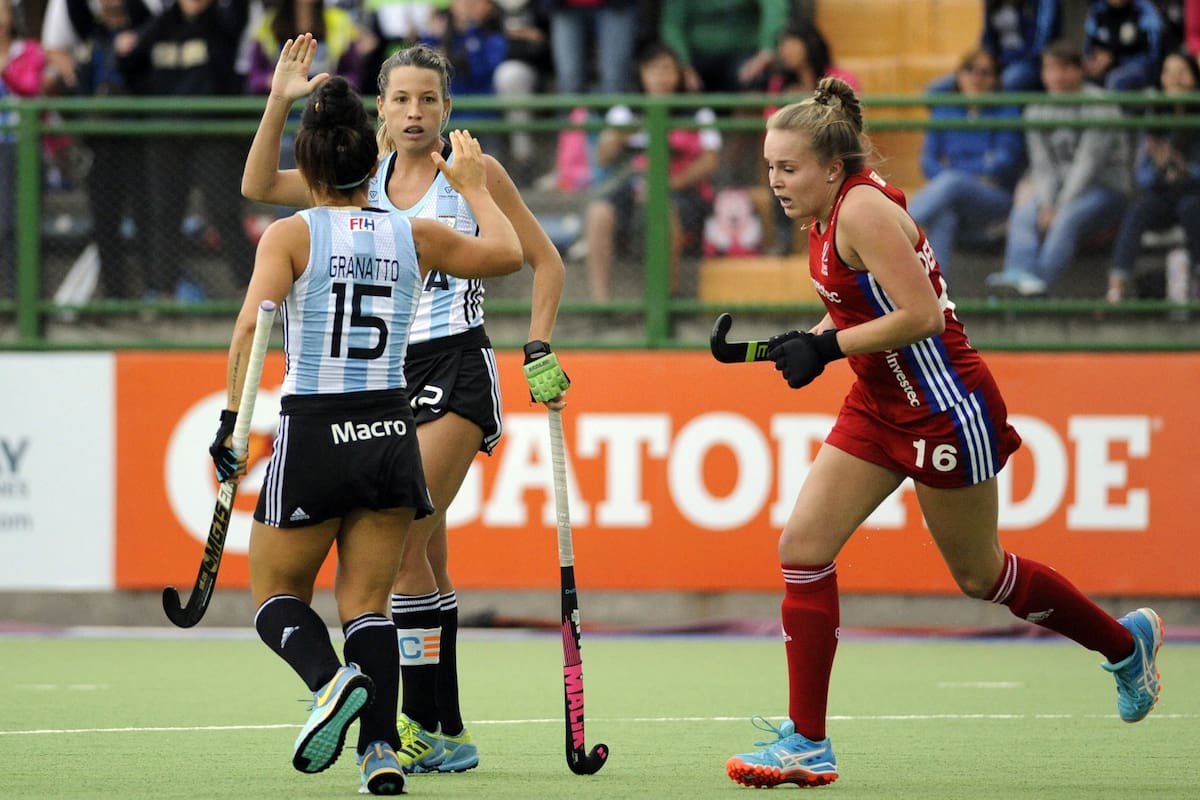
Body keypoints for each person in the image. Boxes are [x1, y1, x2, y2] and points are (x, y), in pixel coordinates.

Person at [722, 76, 1165, 790]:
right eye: (770, 166)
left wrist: (827, 348)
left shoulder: (861, 210)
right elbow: (857, 302)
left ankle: (1124, 644)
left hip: (944, 408)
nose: (775, 180)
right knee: (802, 548)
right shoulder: (825, 213)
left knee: (980, 575)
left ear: (832, 168)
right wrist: (800, 341)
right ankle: (807, 742)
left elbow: (923, 315)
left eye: (788, 167)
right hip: (878, 403)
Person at [241, 34, 570, 774]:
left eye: (428, 99)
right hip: (387, 378)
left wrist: (539, 344)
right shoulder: (363, 178)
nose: (415, 111)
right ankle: (444, 727)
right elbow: (259, 183)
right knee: (428, 557)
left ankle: (415, 724)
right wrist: (278, 102)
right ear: (381, 112)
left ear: (448, 107)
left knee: (409, 545)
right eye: (400, 99)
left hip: (456, 364)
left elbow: (542, 261)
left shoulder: (474, 172)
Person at [115, 0, 255, 301]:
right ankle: (163, 293)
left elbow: (238, 19)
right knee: (164, 214)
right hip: (165, 136)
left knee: (224, 211)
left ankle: (250, 290)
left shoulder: (222, 23)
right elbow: (132, 70)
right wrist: (124, 52)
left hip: (213, 135)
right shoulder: (160, 26)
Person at [986, 40, 1130, 297]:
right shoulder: (1036, 110)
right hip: (1060, 191)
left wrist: (1059, 206)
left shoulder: (1101, 105)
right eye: (1050, 69)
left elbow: (1088, 164)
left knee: (1068, 217)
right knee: (1024, 211)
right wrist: (1047, 204)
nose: (1056, 76)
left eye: (1064, 68)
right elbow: (1043, 166)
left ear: (1080, 70)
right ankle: (1017, 275)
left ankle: (1038, 287)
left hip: (1105, 190)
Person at [582, 40, 720, 300]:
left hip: (681, 190)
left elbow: (710, 161)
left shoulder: (697, 111)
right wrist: (619, 136)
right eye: (654, 70)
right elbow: (602, 158)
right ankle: (601, 301)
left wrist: (670, 183)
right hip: (633, 186)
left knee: (662, 209)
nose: (661, 77)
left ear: (679, 73)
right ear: (642, 74)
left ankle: (668, 297)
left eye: (667, 69)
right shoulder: (626, 110)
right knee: (599, 212)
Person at [906, 48, 1025, 277]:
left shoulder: (1006, 109)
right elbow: (928, 162)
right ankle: (939, 292)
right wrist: (975, 171)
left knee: (952, 181)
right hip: (953, 194)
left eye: (985, 72)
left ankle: (899, 227)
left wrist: (955, 174)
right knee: (944, 215)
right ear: (959, 75)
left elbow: (1004, 163)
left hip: (994, 198)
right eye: (970, 70)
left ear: (995, 79)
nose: (976, 78)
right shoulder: (945, 109)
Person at [1107, 49, 1200, 302]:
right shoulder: (1155, 117)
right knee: (1140, 209)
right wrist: (1162, 170)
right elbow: (1143, 176)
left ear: (1195, 77)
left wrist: (1179, 167)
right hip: (1164, 193)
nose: (1175, 79)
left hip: (1194, 194)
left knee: (1191, 208)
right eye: (1168, 72)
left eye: (1182, 72)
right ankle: (1117, 285)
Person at [1, 0, 44, 291]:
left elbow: (30, 88)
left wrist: (4, 66)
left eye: (2, 10)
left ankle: (22, 296)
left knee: (16, 225)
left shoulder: (28, 50)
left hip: (20, 146)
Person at [928, 0, 1062, 93]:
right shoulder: (991, 3)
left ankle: (997, 125)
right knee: (937, 90)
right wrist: (985, 65)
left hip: (1031, 63)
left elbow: (1042, 44)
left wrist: (1000, 63)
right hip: (996, 63)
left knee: (1009, 83)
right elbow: (987, 39)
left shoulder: (1044, 3)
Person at [658, 0, 789, 94]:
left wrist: (766, 50)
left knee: (755, 84)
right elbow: (672, 25)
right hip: (696, 59)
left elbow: (774, 9)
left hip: (745, 56)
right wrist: (683, 64)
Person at [1083, 0, 1165, 90]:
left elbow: (1152, 54)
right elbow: (1089, 49)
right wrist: (1095, 62)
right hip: (1104, 69)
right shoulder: (1097, 10)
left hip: (1139, 69)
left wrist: (1112, 58)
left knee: (1116, 79)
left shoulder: (1144, 9)